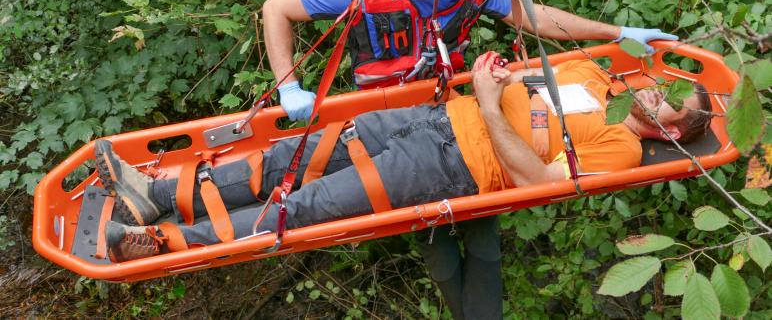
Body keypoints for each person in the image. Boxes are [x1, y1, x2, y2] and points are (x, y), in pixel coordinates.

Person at [260, 0, 678, 318]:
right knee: (432, 231)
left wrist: (614, 31)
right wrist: (288, 86)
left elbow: (534, 18)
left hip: (450, 117)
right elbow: (277, 8)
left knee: (481, 222)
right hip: (379, 120)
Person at [99, 54, 712, 268]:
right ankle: (154, 193)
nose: (654, 91)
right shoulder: (591, 75)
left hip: (452, 168)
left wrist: (495, 102)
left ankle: (164, 241)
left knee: (306, 207)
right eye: (660, 84)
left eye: (668, 100)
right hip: (433, 117)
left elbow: (536, 181)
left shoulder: (624, 149)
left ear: (673, 131)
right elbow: (518, 83)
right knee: (290, 158)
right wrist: (495, 77)